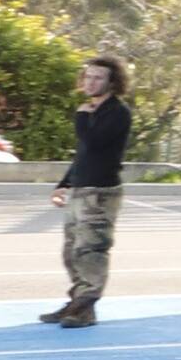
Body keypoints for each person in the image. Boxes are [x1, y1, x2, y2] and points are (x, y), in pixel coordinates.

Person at [46, 54, 132, 326]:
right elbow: (83, 155)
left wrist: (82, 117)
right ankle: (77, 302)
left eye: (98, 78)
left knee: (91, 252)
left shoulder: (117, 112)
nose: (90, 82)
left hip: (100, 193)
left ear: (112, 82)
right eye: (88, 77)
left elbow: (93, 142)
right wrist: (64, 183)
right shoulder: (92, 111)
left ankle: (84, 308)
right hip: (80, 190)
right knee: (71, 252)